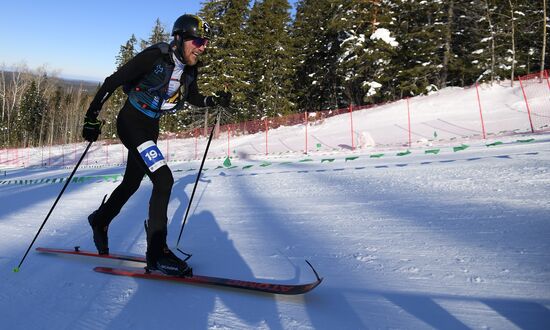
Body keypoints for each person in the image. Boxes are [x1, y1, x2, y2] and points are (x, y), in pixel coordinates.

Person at [81, 14, 231, 277]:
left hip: (150, 126)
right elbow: (112, 81)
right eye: (197, 40)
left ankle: (100, 219)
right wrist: (91, 118)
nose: (202, 46)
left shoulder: (190, 68)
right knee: (164, 180)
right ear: (179, 38)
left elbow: (192, 96)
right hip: (131, 122)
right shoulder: (155, 56)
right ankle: (157, 252)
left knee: (131, 183)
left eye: (205, 41)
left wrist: (212, 100)